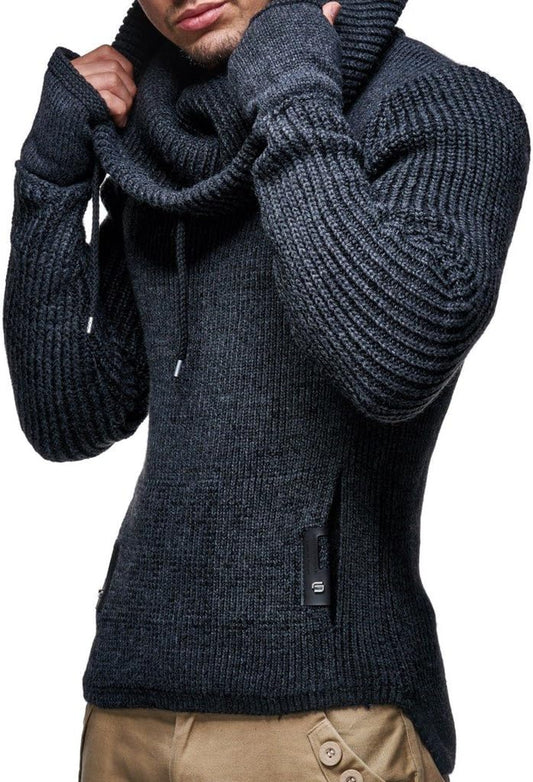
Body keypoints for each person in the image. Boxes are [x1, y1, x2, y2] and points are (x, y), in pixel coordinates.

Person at [3, 0, 529, 779]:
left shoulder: (440, 105)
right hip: (125, 707)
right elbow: (71, 417)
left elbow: (394, 363)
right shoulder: (162, 141)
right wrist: (50, 179)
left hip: (325, 716)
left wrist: (288, 81)